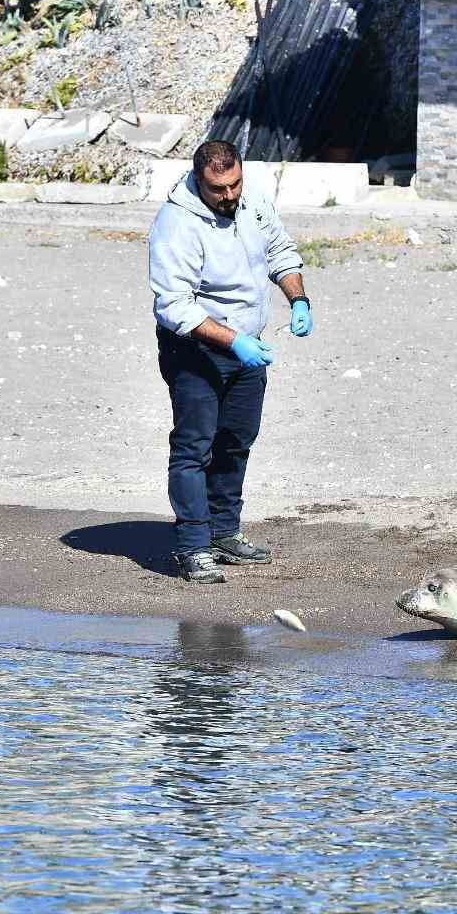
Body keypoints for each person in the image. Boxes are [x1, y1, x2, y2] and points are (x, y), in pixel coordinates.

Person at [147, 140, 311, 584]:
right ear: (199, 180)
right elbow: (174, 305)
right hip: (195, 349)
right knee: (193, 446)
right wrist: (233, 340)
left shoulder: (252, 201)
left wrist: (298, 299)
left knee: (237, 438)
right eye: (218, 189)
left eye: (235, 184)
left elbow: (280, 251)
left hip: (247, 346)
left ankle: (223, 531)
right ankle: (194, 547)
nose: (229, 196)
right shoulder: (176, 223)